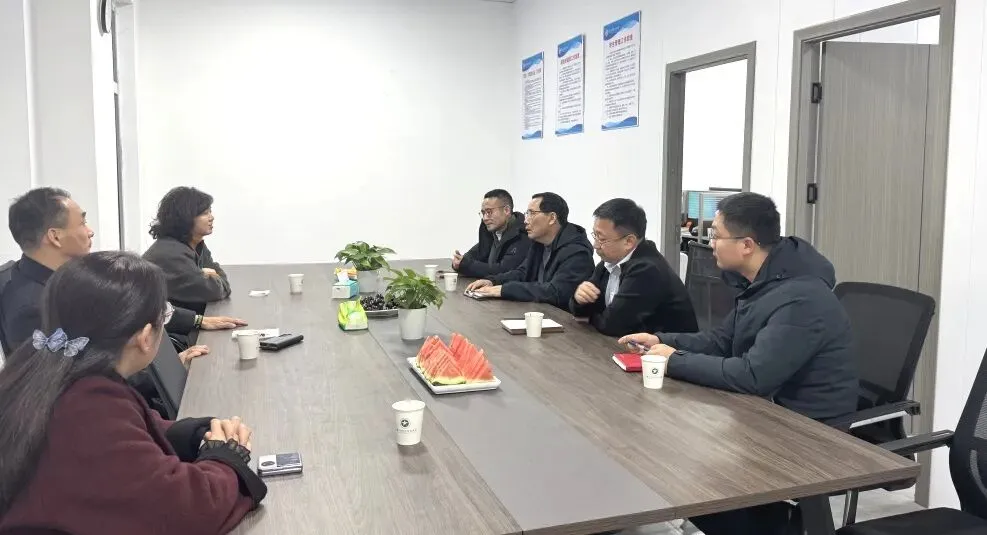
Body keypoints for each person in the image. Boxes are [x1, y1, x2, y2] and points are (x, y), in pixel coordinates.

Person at [619, 192, 856, 535]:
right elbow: (721, 341)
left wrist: (674, 361)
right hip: (762, 413)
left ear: (746, 245)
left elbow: (753, 375)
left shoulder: (802, 299)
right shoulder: (764, 283)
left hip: (806, 434)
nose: (710, 243)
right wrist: (662, 341)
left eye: (716, 235)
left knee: (685, 471)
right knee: (664, 450)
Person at [0, 251, 266, 533]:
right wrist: (226, 457)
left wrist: (196, 435)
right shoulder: (88, 407)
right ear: (145, 337)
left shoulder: (38, 366)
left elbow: (130, 433)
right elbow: (185, 509)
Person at [0, 188, 244, 358]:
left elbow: (135, 305)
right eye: (82, 223)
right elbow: (77, 378)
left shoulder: (70, 277)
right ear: (55, 237)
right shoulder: (32, 308)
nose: (90, 231)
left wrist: (197, 321)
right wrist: (166, 374)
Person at [571, 199, 698, 337]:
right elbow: (582, 309)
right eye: (595, 235)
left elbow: (612, 325)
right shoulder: (608, 263)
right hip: (628, 344)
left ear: (629, 241)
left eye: (601, 239)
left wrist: (590, 317)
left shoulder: (647, 270)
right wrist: (579, 300)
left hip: (665, 349)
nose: (595, 245)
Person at [466, 192, 594, 309]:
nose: (526, 220)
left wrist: (503, 289)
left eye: (532, 213)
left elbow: (555, 292)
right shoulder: (539, 242)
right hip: (540, 311)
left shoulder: (577, 252)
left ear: (552, 218)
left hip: (564, 320)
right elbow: (522, 273)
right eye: (527, 214)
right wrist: (493, 281)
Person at [143, 186, 231, 313]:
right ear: (185, 218)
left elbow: (214, 270)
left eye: (210, 211)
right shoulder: (171, 255)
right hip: (166, 324)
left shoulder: (195, 243)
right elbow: (215, 290)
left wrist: (213, 275)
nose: (211, 217)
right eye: (205, 213)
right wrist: (215, 276)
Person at [452, 189, 531, 278]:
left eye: (489, 212)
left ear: (506, 210)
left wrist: (465, 264)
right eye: (483, 213)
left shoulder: (523, 234)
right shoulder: (491, 232)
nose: (485, 218)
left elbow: (504, 270)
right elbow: (469, 258)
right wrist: (458, 263)